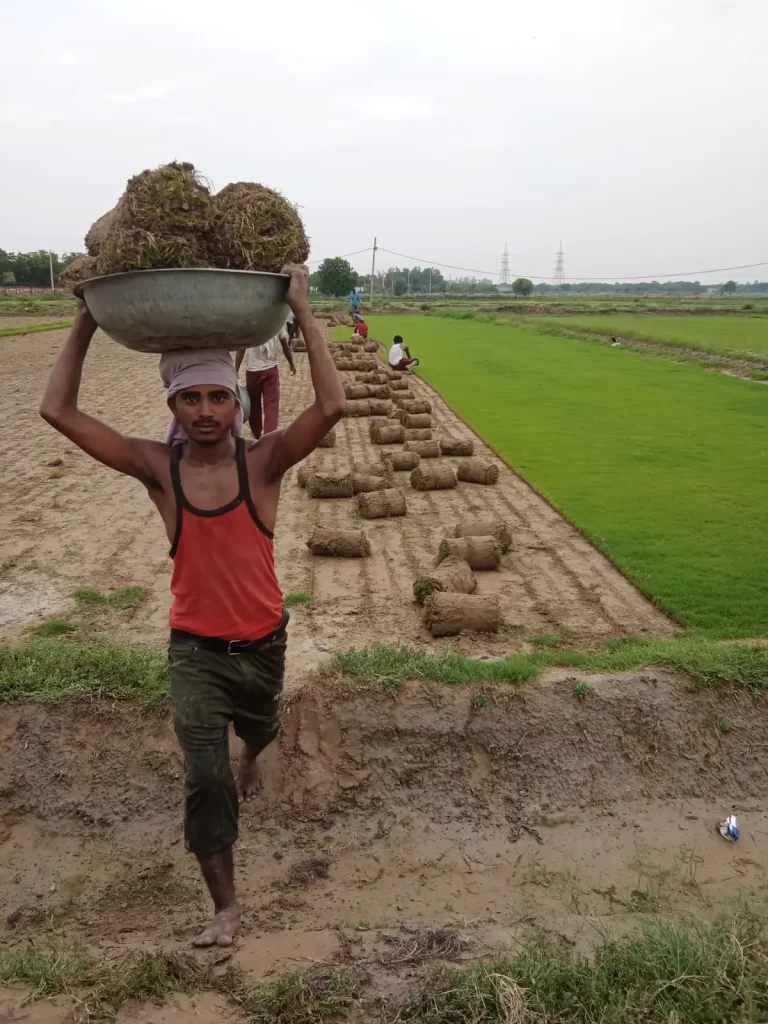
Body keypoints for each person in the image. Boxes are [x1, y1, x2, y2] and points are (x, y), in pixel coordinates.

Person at [39, 264, 345, 949]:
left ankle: (251, 752)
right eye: (190, 400)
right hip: (195, 653)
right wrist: (85, 321)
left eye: (218, 397)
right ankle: (226, 907)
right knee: (205, 780)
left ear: (237, 403)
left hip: (264, 645)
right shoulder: (160, 469)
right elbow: (57, 413)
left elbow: (329, 409)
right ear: (173, 407)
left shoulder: (261, 465)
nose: (205, 411)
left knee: (259, 731)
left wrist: (304, 310)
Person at [234, 325, 296, 439]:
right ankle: (269, 437)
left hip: (253, 371)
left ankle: (256, 434)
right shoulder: (277, 323)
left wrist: (235, 371)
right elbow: (285, 346)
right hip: (270, 370)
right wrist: (291, 364)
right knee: (271, 405)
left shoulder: (249, 324)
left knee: (254, 405)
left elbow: (241, 350)